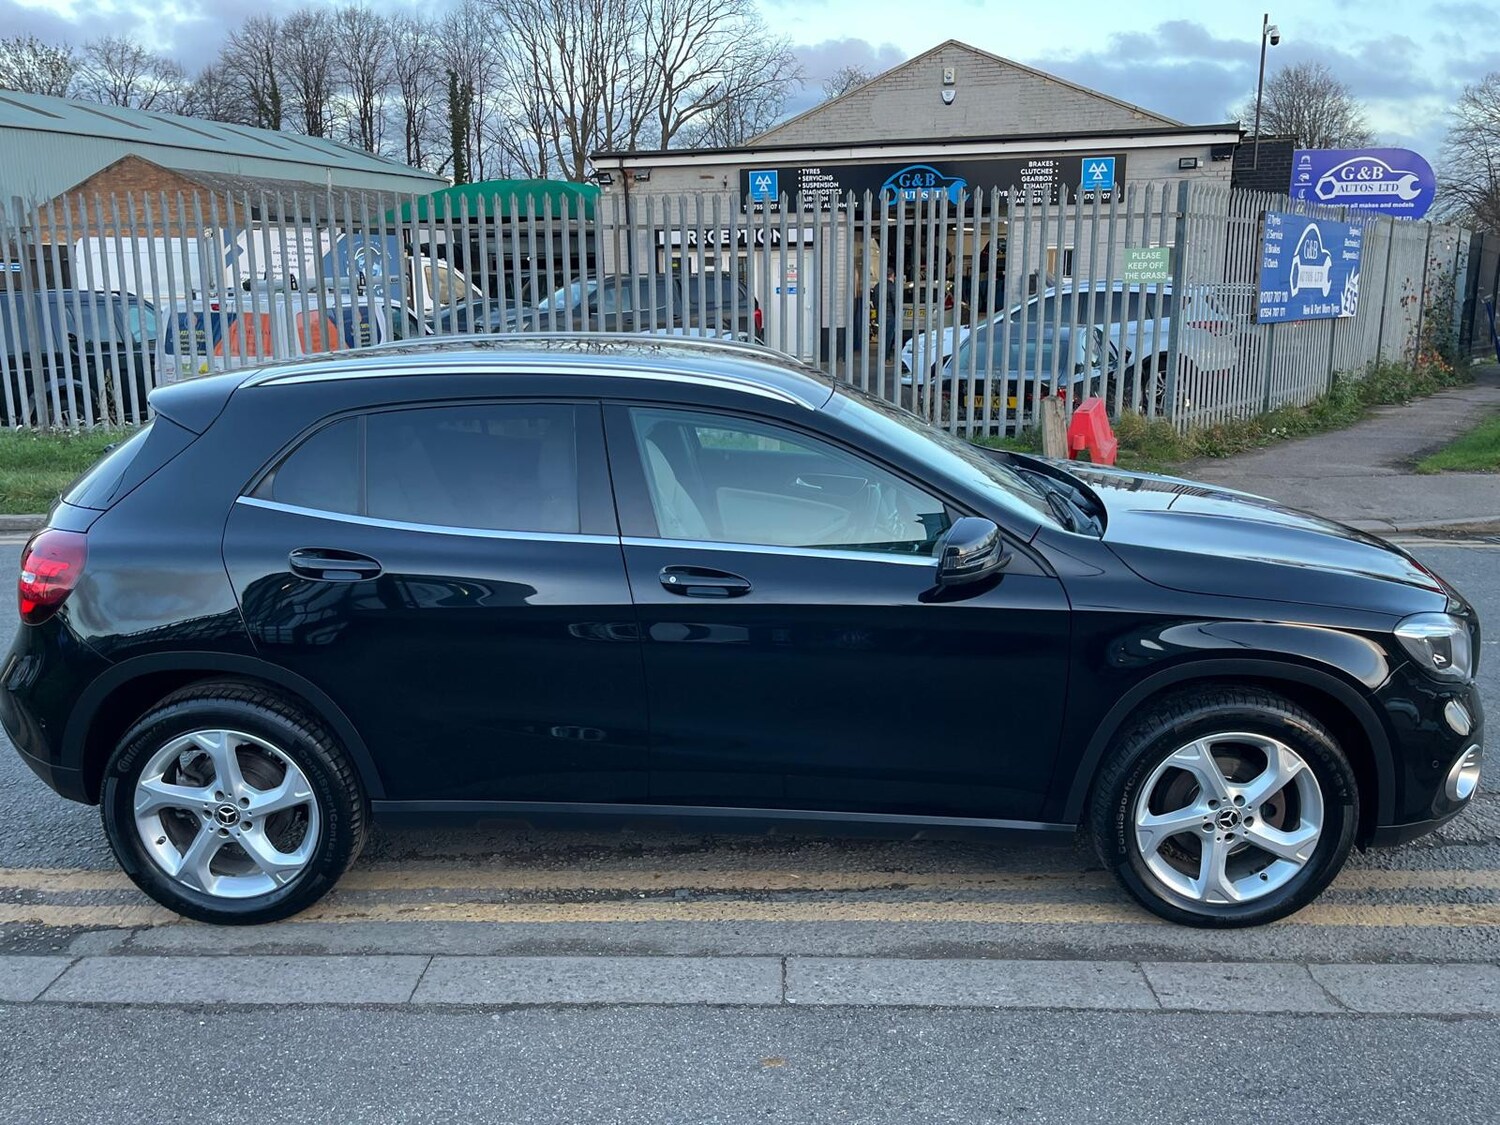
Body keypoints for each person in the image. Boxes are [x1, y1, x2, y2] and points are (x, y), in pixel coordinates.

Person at [882, 266, 900, 362]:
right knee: (888, 338)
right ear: (892, 275)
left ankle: (883, 356)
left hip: (880, 316)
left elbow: (875, 301)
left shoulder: (878, 286)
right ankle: (886, 358)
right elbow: (895, 302)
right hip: (890, 316)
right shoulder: (892, 287)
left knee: (882, 337)